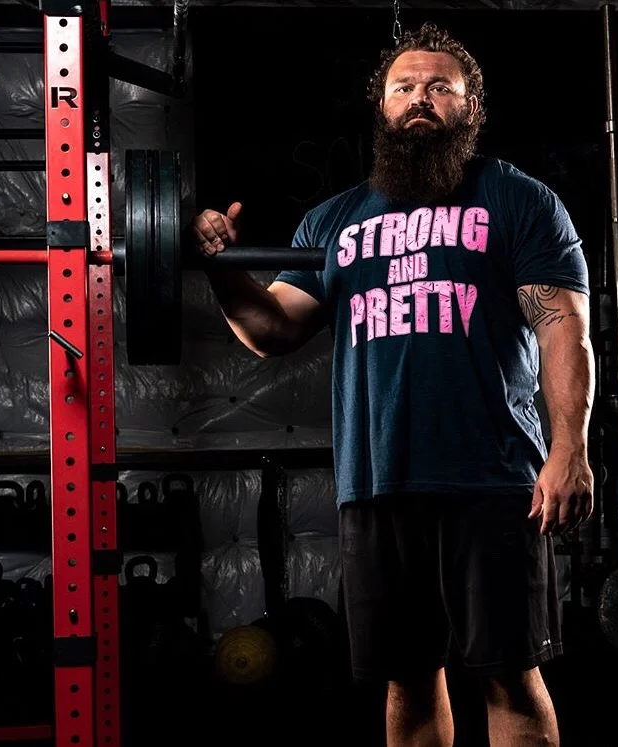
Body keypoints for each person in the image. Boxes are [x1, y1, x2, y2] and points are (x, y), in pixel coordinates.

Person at [190, 21, 594, 747]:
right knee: (407, 680)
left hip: (495, 479)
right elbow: (271, 328)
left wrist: (570, 448)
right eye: (404, 87)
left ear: (471, 108)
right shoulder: (335, 221)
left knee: (510, 675)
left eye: (441, 87)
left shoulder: (519, 201)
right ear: (381, 107)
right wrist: (220, 268)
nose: (420, 98)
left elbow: (562, 327)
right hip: (378, 482)